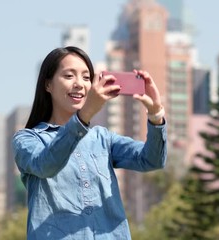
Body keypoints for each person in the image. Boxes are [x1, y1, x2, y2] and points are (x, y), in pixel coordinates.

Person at [12, 46, 167, 239]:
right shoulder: (27, 139)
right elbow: (45, 165)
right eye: (69, 76)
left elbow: (152, 160)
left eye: (86, 78)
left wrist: (156, 115)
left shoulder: (103, 138)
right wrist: (83, 116)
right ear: (48, 85)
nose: (79, 84)